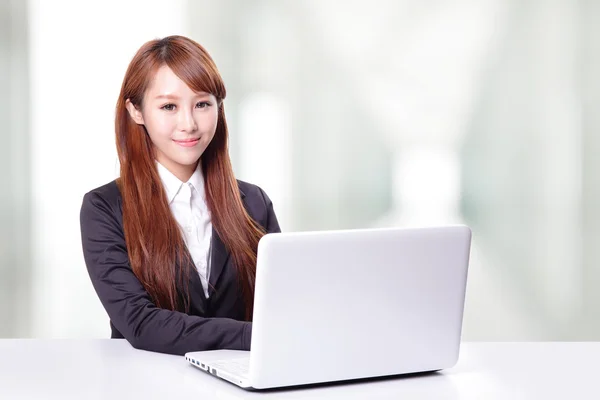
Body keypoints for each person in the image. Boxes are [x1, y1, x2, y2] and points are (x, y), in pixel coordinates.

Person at [79, 35, 281, 356]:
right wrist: (254, 336)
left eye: (202, 104)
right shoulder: (105, 208)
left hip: (243, 385)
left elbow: (282, 309)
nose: (188, 124)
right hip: (147, 385)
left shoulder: (253, 202)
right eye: (169, 106)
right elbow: (140, 323)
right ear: (136, 111)